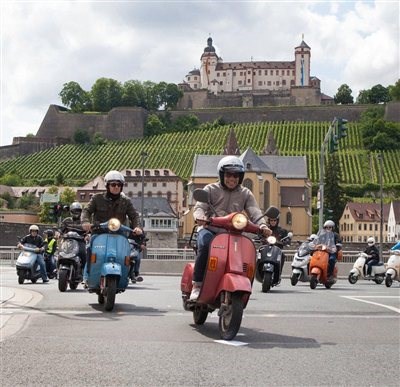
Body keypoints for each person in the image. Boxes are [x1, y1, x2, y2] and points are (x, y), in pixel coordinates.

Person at [190, 156, 271, 300]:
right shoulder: (210, 189)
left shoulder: (245, 193)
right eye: (228, 174)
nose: (232, 178)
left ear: (240, 177)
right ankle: (197, 284)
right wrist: (200, 217)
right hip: (210, 229)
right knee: (205, 245)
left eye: (236, 175)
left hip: (234, 233)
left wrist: (263, 225)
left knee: (246, 251)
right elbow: (199, 207)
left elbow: (254, 211)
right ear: (221, 175)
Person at [81, 170, 143, 285]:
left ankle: (128, 274)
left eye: (119, 185)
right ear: (107, 185)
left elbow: (134, 215)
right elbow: (87, 210)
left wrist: (138, 227)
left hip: (119, 233)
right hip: (99, 232)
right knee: (90, 248)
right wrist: (85, 221)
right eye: (113, 184)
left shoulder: (126, 201)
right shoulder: (97, 198)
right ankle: (86, 275)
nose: (116, 187)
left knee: (128, 250)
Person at [61, 201, 87, 278]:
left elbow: (88, 231)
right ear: (71, 211)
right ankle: (57, 269)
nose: (76, 213)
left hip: (80, 242)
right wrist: (58, 233)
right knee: (61, 254)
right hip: (67, 242)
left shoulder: (84, 221)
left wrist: (87, 235)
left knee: (84, 255)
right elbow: (60, 229)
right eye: (74, 211)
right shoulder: (66, 221)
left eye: (78, 211)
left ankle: (84, 273)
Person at [265, 206, 291, 273]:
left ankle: (279, 272)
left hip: (277, 250)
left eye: (274, 220)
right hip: (266, 249)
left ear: (277, 221)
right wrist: (257, 238)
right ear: (269, 221)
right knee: (259, 254)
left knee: (282, 255)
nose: (273, 222)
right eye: (271, 220)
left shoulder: (282, 231)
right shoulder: (265, 230)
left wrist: (286, 241)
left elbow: (287, 238)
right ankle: (257, 270)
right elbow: (259, 235)